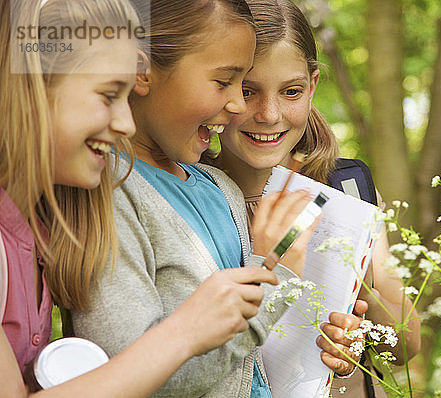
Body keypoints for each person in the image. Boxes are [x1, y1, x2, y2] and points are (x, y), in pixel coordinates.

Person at [0, 0, 279, 397]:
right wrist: (185, 331)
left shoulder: (29, 236)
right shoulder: (102, 198)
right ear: (30, 91)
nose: (125, 121)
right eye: (108, 93)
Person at [70, 1, 319, 397]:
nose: (238, 104)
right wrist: (276, 276)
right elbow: (134, 378)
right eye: (224, 83)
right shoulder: (109, 192)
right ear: (143, 71)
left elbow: (241, 362)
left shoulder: (220, 187)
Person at [207, 0, 422, 396]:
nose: (269, 114)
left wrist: (357, 335)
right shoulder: (195, 196)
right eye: (248, 91)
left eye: (291, 91)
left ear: (313, 85)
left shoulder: (349, 188)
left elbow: (404, 347)